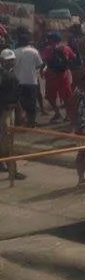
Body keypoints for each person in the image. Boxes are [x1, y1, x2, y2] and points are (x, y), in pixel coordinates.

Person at [0, 48, 25, 180]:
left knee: (7, 139)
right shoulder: (5, 75)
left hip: (10, 109)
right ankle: (12, 170)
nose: (11, 62)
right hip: (5, 111)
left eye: (12, 60)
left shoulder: (10, 74)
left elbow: (16, 96)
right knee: (7, 141)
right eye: (8, 60)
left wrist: (20, 111)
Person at [13, 32, 43, 127]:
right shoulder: (34, 51)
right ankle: (31, 123)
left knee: (18, 103)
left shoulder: (15, 52)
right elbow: (40, 65)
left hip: (18, 81)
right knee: (32, 104)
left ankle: (18, 122)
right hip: (31, 81)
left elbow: (12, 65)